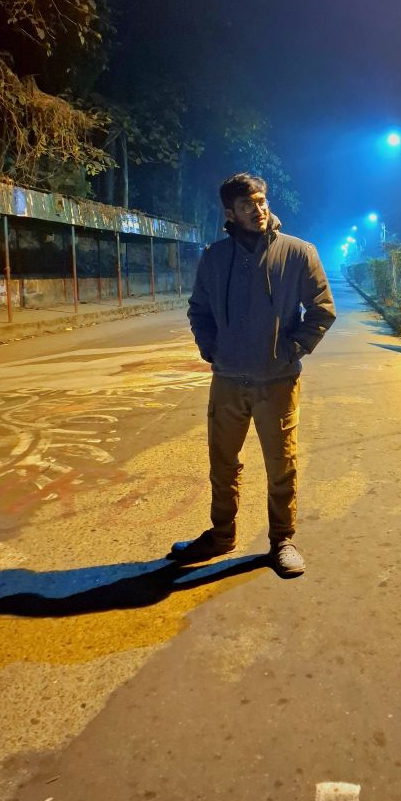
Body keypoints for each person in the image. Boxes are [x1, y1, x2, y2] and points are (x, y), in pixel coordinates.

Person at [169, 172, 336, 577]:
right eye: (247, 205)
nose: (258, 210)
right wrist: (212, 349)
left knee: (282, 465)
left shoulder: (298, 252)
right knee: (223, 463)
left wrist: (290, 350)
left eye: (261, 201)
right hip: (227, 382)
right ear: (230, 212)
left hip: (277, 383)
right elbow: (199, 310)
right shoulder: (215, 257)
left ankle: (282, 540)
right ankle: (221, 534)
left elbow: (322, 309)